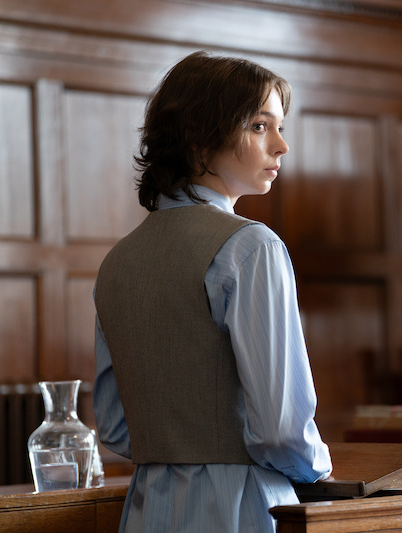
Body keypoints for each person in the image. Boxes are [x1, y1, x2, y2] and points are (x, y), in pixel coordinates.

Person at [92, 51, 332, 532]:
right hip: (242, 506)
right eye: (261, 126)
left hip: (145, 508)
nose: (281, 146)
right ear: (200, 138)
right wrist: (321, 472)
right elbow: (283, 431)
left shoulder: (118, 259)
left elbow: (117, 428)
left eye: (280, 126)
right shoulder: (251, 247)